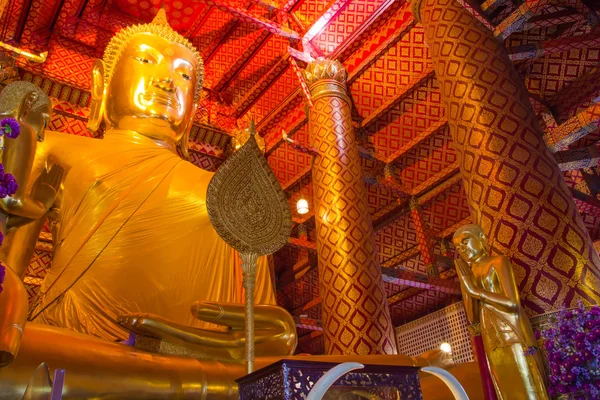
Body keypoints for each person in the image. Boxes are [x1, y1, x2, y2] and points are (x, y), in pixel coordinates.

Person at [453, 224, 548, 400]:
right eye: (458, 248)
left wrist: (475, 291)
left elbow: (512, 304)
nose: (462, 249)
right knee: (505, 389)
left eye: (466, 242)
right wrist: (465, 283)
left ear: (481, 238)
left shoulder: (497, 262)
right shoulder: (470, 274)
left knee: (526, 383)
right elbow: (473, 318)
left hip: (511, 333)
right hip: (491, 338)